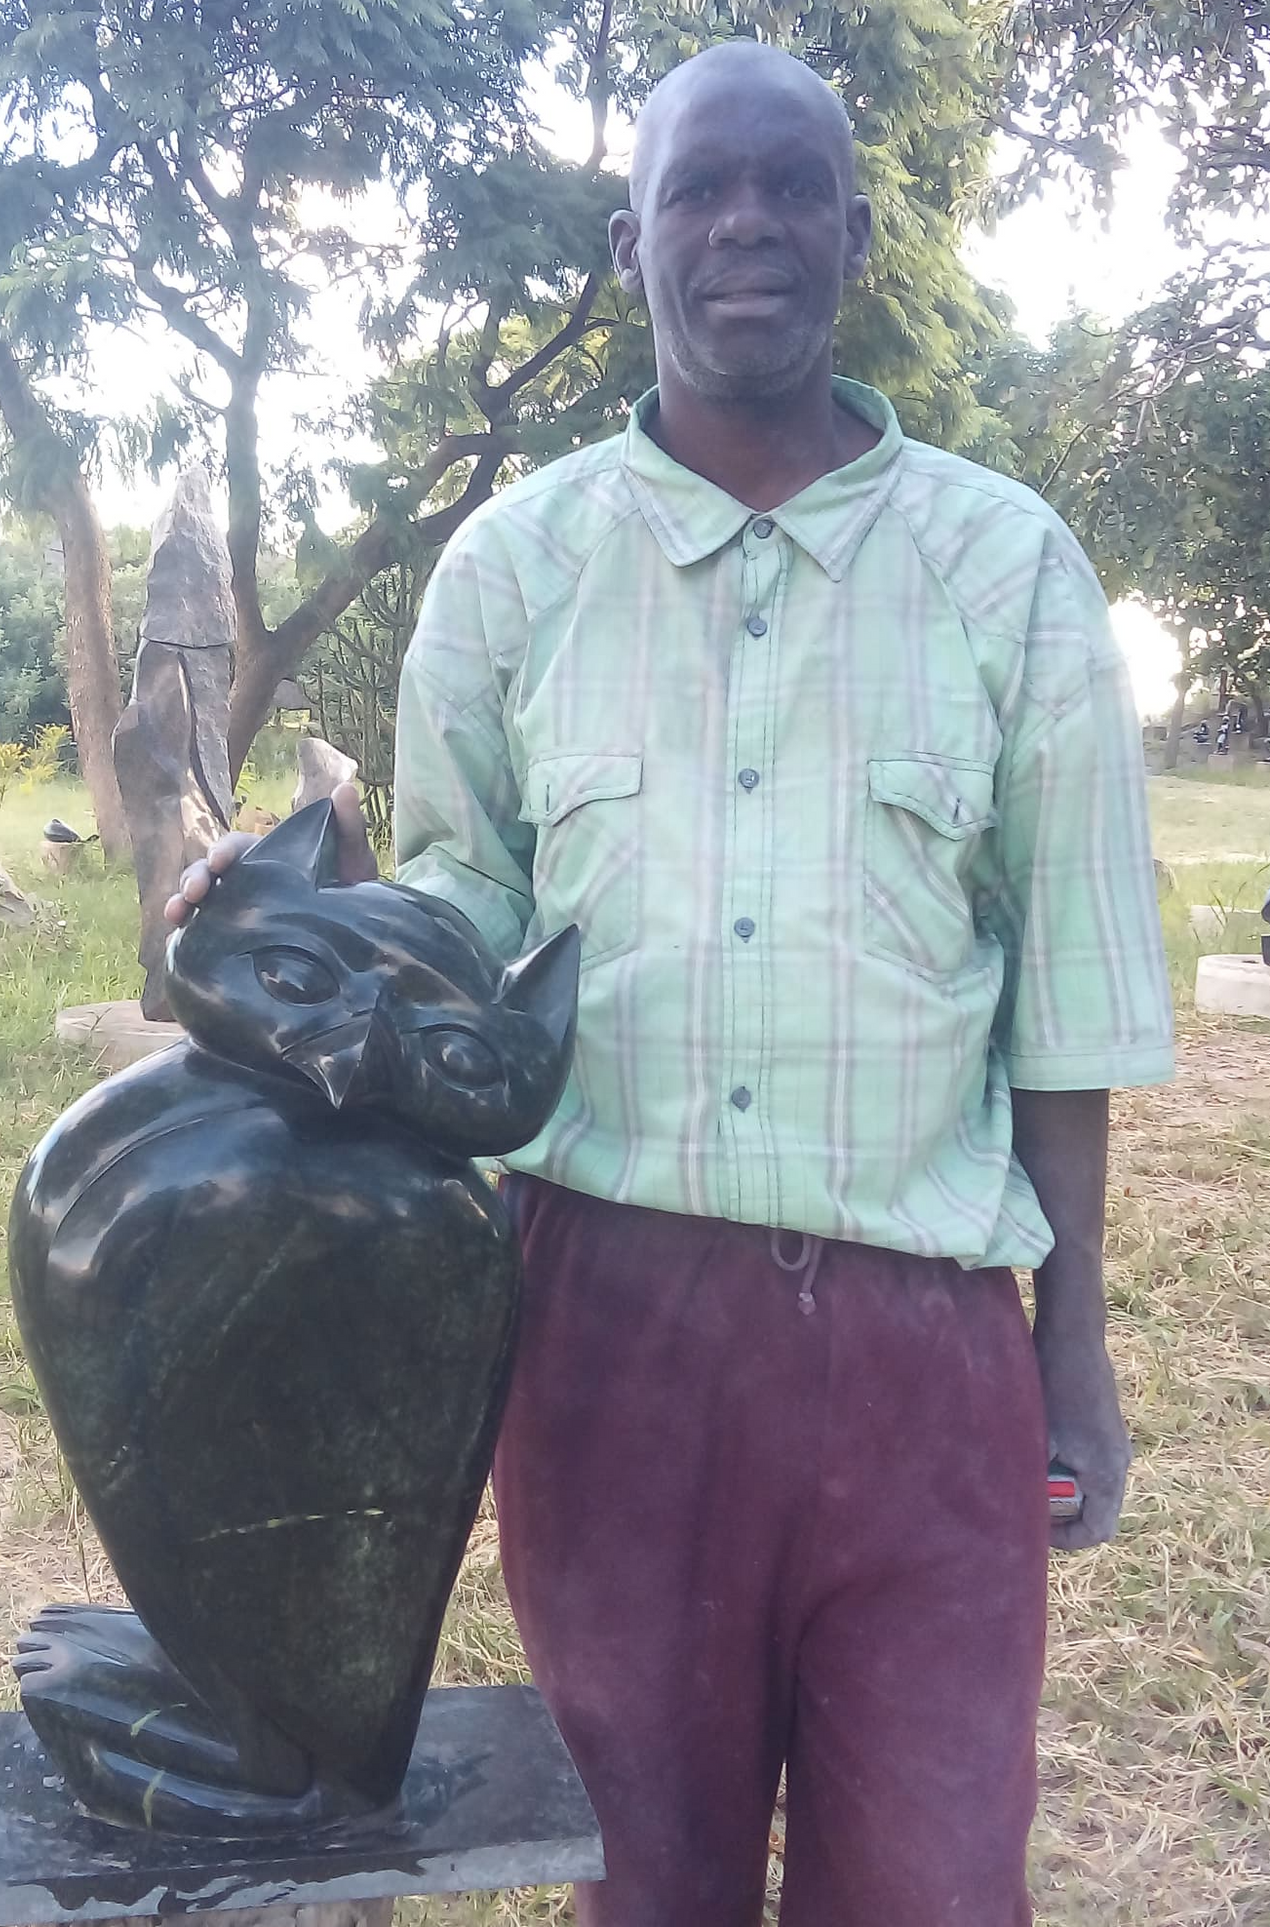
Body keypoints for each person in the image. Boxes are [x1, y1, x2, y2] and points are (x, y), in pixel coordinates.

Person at [169, 41, 1174, 1927]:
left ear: (857, 236)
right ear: (629, 239)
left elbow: (1076, 989)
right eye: (702, 192)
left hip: (926, 1349)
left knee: (941, 1886)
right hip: (607, 1332)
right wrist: (312, 912)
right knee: (648, 1875)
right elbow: (470, 892)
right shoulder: (516, 568)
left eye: (794, 189)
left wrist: (1078, 1337)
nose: (748, 228)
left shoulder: (1006, 567)